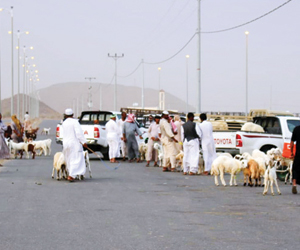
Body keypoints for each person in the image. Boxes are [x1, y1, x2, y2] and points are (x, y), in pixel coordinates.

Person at [62, 108, 88, 182]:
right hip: (74, 143)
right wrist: (84, 142)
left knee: (69, 158)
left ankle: (70, 173)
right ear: (72, 115)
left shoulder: (64, 122)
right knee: (76, 159)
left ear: (66, 115)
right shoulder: (75, 122)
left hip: (66, 143)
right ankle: (71, 175)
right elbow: (79, 133)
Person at [290, 125, 300, 194]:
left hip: (298, 153)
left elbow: (292, 142)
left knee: (295, 168)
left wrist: (291, 152)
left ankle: (294, 184)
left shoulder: (296, 129)